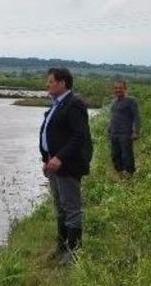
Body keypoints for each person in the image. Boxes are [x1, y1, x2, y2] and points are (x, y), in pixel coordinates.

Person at [38, 67, 92, 264]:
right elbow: (52, 134)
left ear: (62, 83)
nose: (47, 84)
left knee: (71, 208)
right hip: (53, 164)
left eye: (51, 81)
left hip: (68, 165)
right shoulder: (57, 104)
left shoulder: (74, 104)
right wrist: (46, 158)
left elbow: (79, 136)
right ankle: (61, 248)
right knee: (60, 208)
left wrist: (60, 157)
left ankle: (74, 252)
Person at [108, 80, 141, 175]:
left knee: (126, 156)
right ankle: (120, 175)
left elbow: (136, 117)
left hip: (125, 134)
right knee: (115, 156)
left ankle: (130, 175)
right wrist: (109, 130)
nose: (118, 90)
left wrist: (136, 132)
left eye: (120, 88)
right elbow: (113, 117)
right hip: (114, 134)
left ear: (125, 89)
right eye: (116, 88)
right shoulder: (114, 102)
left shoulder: (131, 101)